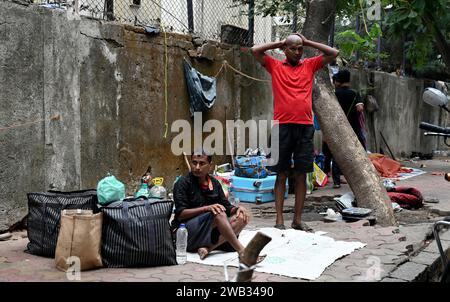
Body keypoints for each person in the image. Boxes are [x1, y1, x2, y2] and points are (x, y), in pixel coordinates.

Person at [251, 33, 339, 231]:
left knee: (301, 175)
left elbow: (333, 53)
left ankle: (297, 220)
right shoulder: (275, 65)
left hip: (305, 126)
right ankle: (279, 220)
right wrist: (280, 42)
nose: (298, 52)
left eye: (300, 49)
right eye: (293, 48)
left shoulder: (309, 65)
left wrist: (306, 41)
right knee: (280, 174)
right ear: (284, 49)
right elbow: (255, 51)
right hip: (281, 127)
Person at [172, 151, 264, 262]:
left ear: (210, 166)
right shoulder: (183, 183)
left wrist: (237, 209)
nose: (197, 167)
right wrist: (207, 208)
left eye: (202, 164)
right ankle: (242, 252)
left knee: (241, 217)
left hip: (210, 233)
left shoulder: (214, 183)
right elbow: (181, 214)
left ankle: (208, 248)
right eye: (194, 163)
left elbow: (227, 206)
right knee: (219, 213)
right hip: (186, 233)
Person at [322, 69, 366, 188]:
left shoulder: (334, 94)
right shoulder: (354, 93)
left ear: (339, 81)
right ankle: (361, 178)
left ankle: (336, 181)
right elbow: (360, 109)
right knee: (359, 152)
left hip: (338, 127)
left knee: (337, 154)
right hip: (353, 128)